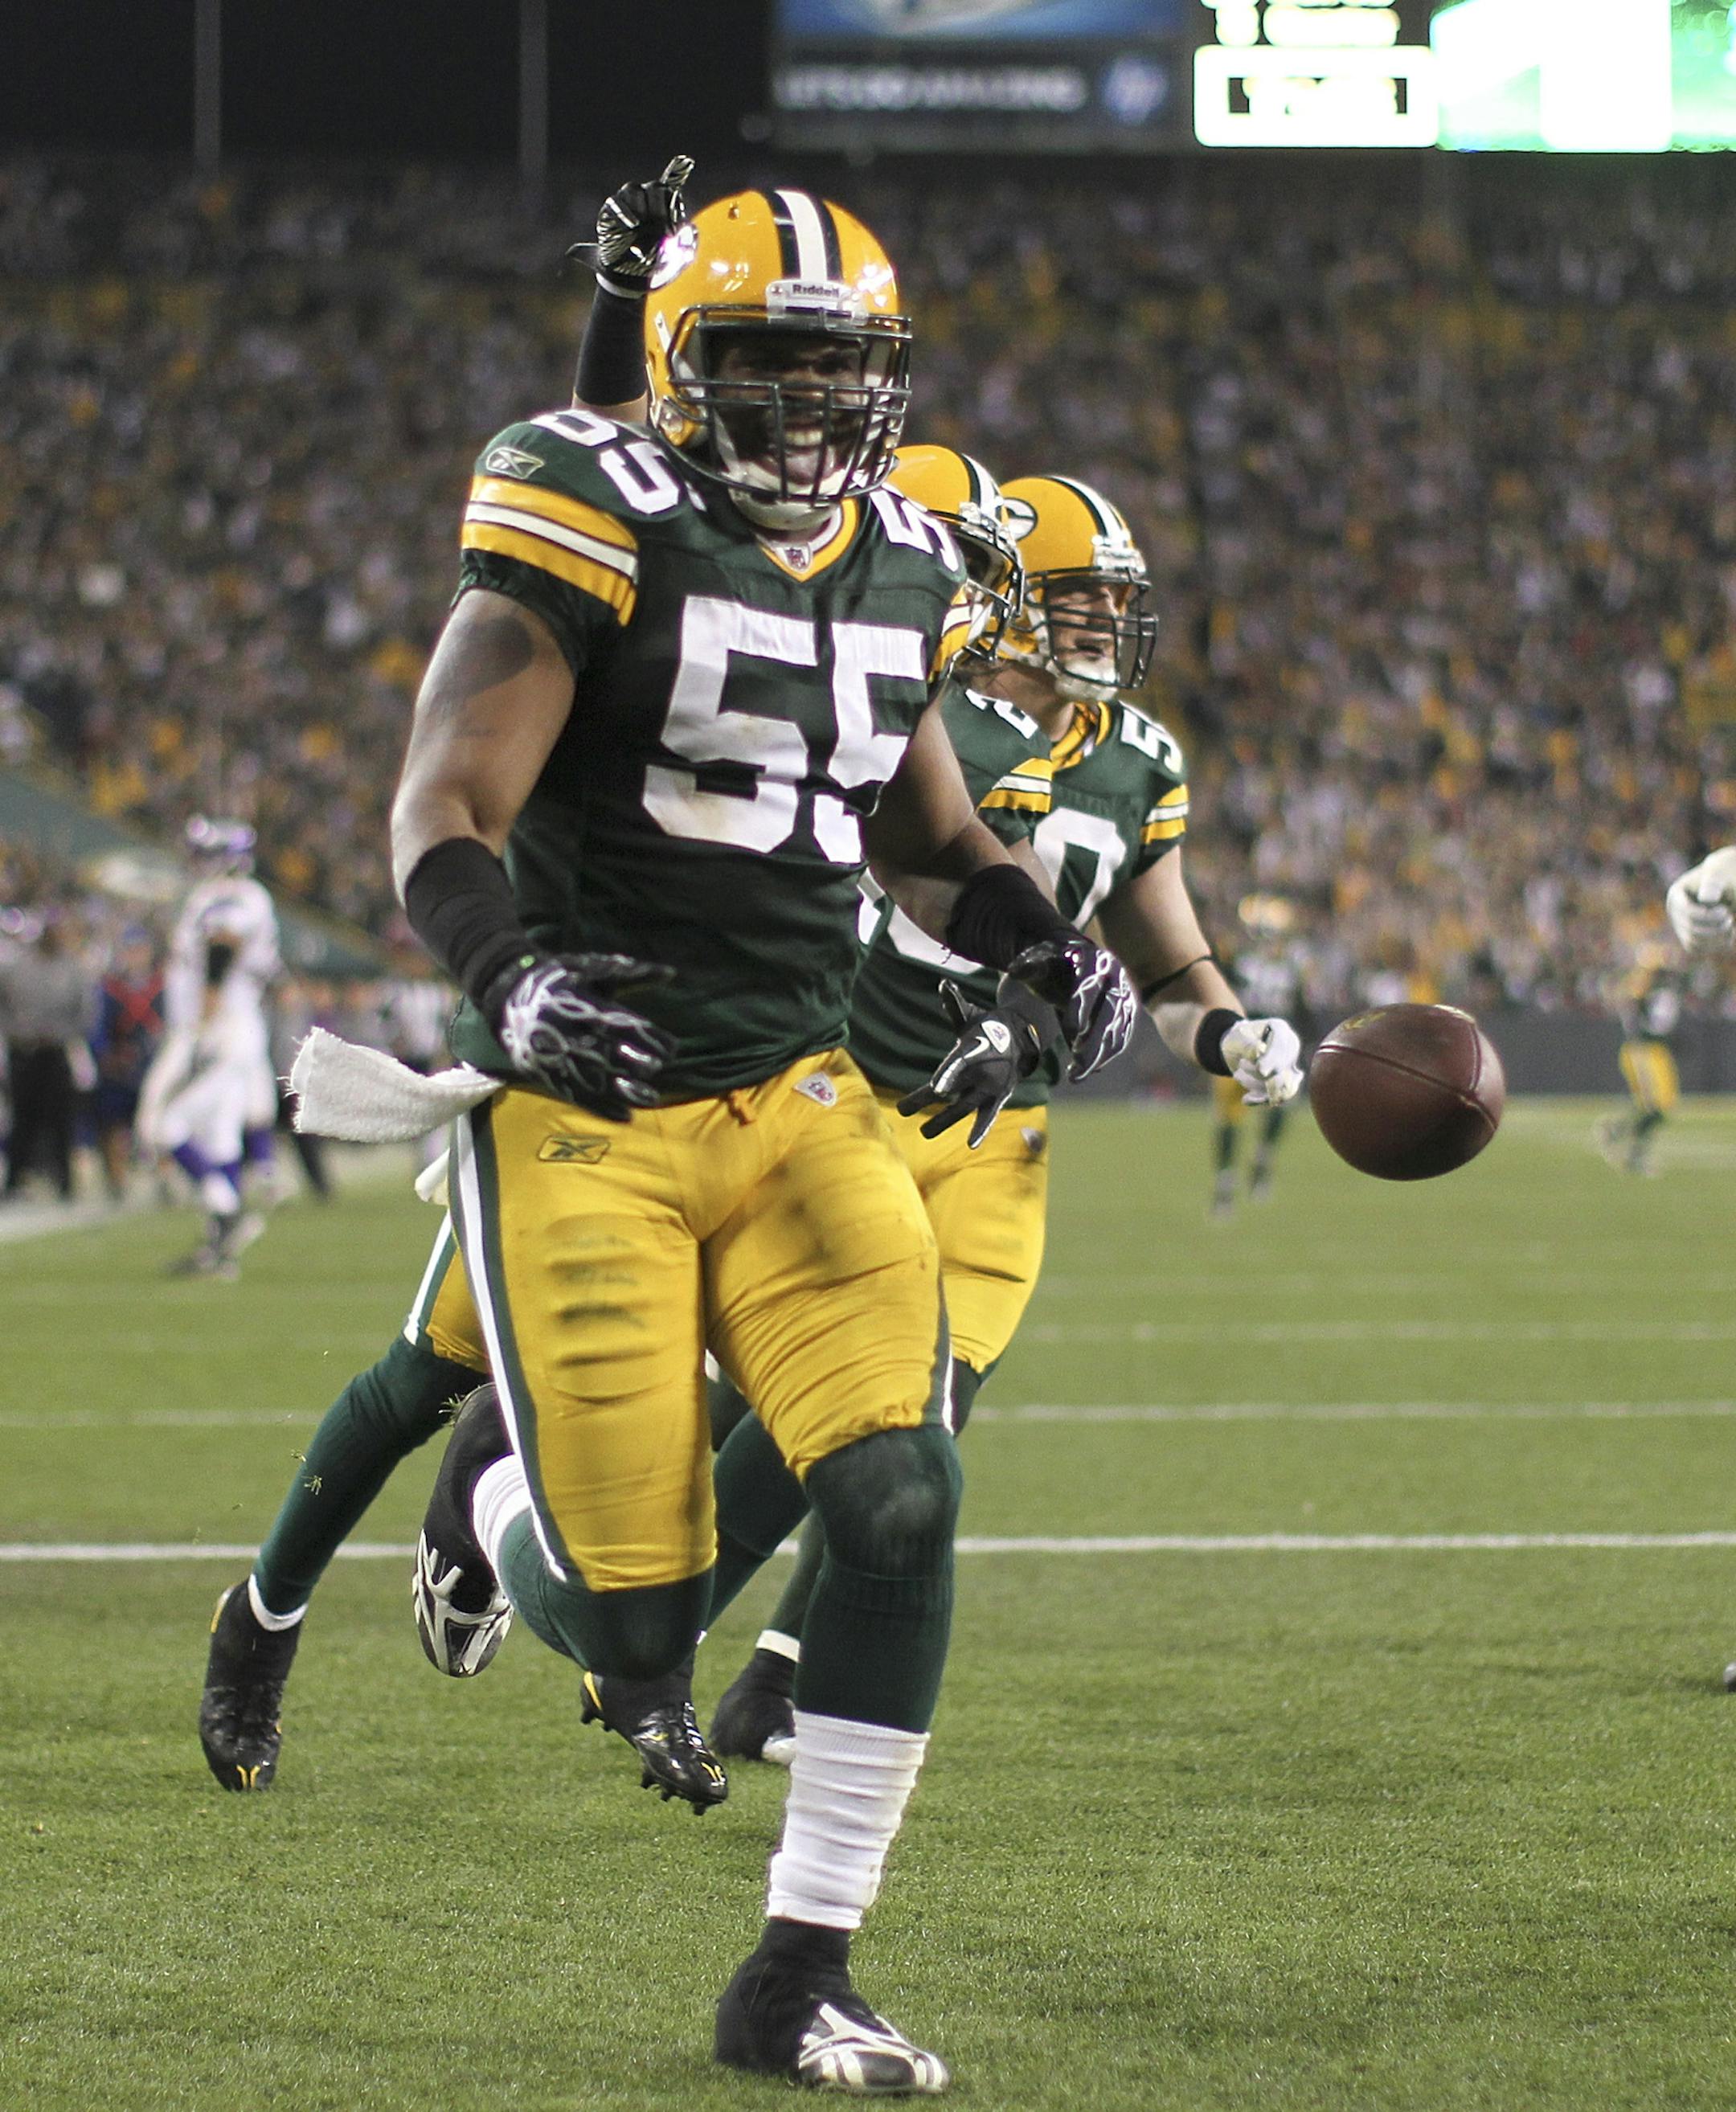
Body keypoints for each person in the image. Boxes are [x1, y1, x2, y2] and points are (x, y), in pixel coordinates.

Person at [216, 174, 1139, 2098]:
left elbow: (934, 838)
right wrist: (513, 976)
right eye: (764, 368)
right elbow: (441, 802)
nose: (809, 413)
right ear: (674, 367)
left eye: (843, 373)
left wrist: (1048, 950)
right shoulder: (590, 504)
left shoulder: (901, 560)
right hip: (588, 1106)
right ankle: (487, 1507)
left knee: (900, 1492)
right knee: (623, 1615)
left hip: (801, 1098)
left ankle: (799, 1968)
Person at [706, 472, 1305, 1764]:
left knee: (926, 1414)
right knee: (747, 1403)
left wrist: (1235, 1034)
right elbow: (923, 902)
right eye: (1082, 599)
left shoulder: (1140, 759)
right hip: (861, 1092)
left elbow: (1166, 972)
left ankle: (770, 1679)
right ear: (1005, 596)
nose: (1105, 627)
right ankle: (629, 1617)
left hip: (1003, 1137)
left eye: (1117, 605)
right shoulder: (932, 721)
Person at [139, 818, 281, 1276]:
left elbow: (223, 942)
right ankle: (221, 1249)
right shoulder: (242, 895)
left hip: (217, 1031)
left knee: (161, 1125)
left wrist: (205, 1015)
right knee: (219, 1137)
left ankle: (228, 1213)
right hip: (229, 1030)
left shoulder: (235, 895)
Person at [1209, 894, 1309, 1218]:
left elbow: (1299, 1012)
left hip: (1273, 1052)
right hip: (1239, 1051)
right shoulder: (1239, 964)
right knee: (1228, 1119)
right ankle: (1225, 1185)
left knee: (1280, 1108)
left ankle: (1263, 1159)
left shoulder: (1290, 969)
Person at [0, 916, 92, 1201]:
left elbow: (85, 1012)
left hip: (56, 1050)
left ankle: (64, 1181)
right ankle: (16, 1179)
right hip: (24, 1050)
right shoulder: (17, 968)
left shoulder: (72, 968)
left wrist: (65, 1033)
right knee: (23, 1116)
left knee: (60, 1117)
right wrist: (13, 1031)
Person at [90, 926, 165, 1201]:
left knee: (159, 1120)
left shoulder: (162, 985)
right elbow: (98, 1026)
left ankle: (163, 1175)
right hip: (120, 1062)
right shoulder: (111, 988)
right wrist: (106, 1054)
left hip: (153, 1060)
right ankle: (117, 1180)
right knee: (114, 1122)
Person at [1597, 945, 1682, 1177]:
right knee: (1653, 1107)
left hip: (1655, 1051)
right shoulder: (1642, 991)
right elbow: (1641, 1020)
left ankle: (1616, 1131)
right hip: (1642, 1051)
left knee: (1662, 1106)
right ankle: (1635, 1154)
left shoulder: (1655, 990)